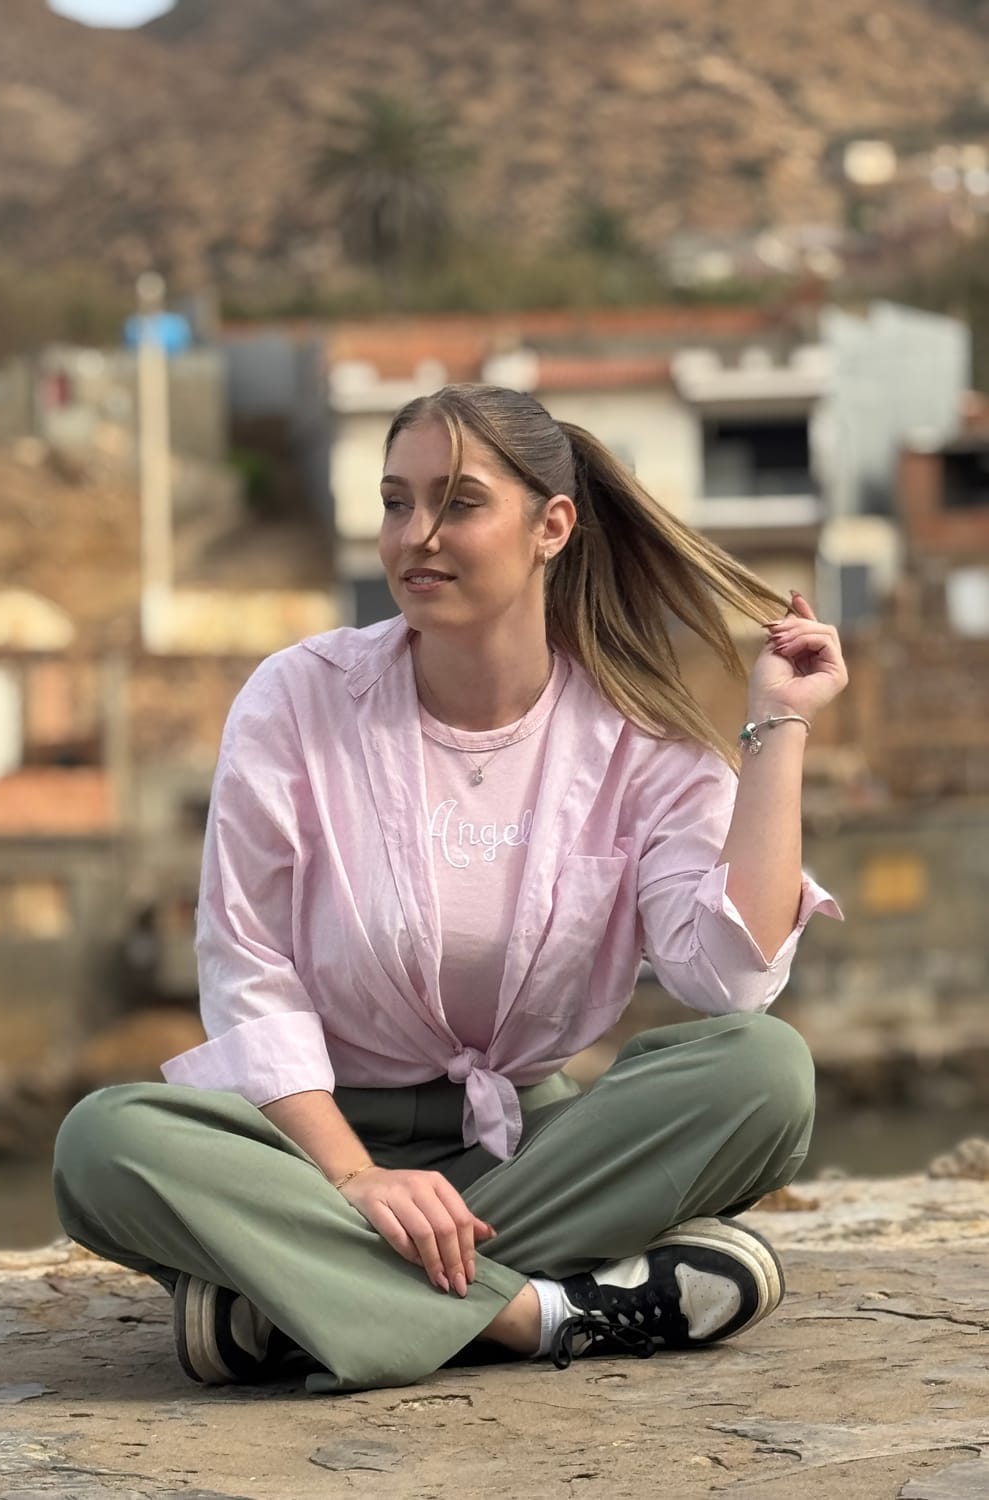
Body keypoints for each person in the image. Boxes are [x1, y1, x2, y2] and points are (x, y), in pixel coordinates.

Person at [53, 383, 847, 1395]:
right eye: (396, 502)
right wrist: (355, 1177)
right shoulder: (297, 700)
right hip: (311, 1147)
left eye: (458, 503)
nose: (415, 536)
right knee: (103, 1143)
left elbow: (731, 979)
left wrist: (779, 727)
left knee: (767, 1074)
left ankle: (283, 1306)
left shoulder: (637, 740)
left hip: (531, 1149)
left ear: (551, 526)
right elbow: (247, 970)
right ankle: (543, 1312)